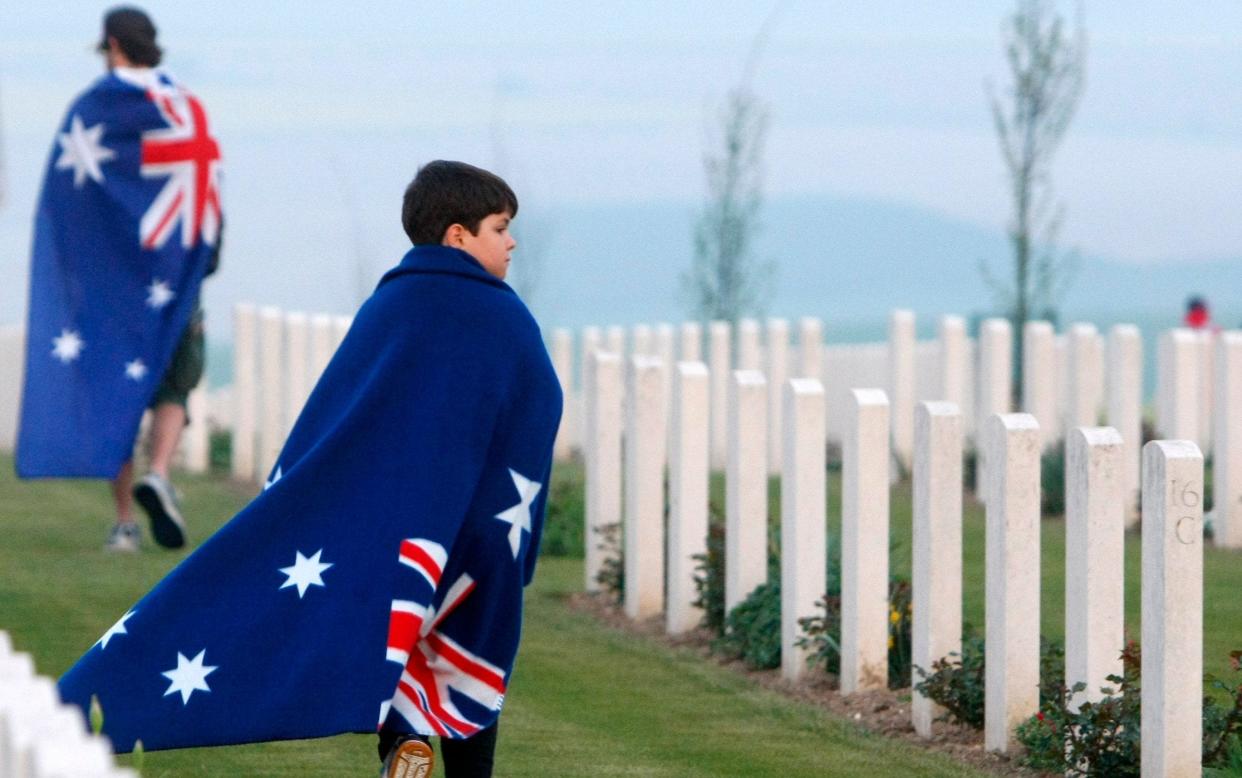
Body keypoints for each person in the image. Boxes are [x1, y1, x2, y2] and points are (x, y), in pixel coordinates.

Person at [58, 162, 562, 778]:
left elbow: (338, 416)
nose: (511, 242)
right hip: (476, 526)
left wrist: (295, 496)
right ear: (458, 236)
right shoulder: (500, 316)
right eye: (500, 227)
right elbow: (537, 400)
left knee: (394, 633)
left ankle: (403, 744)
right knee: (465, 647)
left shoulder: (389, 306)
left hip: (391, 529)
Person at [16, 6, 222, 554]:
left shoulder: (101, 105)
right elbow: (206, 180)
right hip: (180, 269)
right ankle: (160, 471)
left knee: (118, 384)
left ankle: (126, 520)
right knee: (176, 382)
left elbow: (74, 192)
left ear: (111, 44)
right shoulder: (186, 105)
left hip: (118, 278)